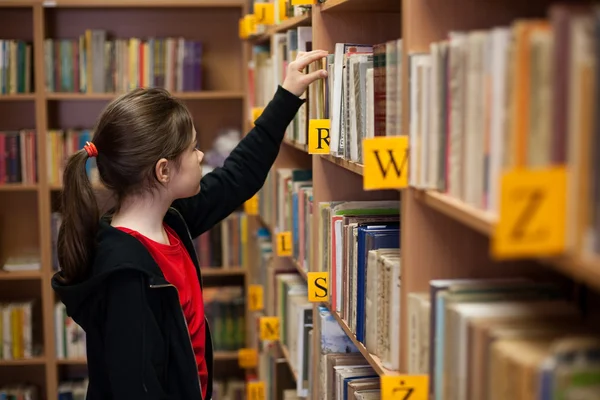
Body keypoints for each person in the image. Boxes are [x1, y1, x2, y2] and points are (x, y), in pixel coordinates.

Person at [51, 49, 329, 400]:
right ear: (163, 171)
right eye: (193, 148)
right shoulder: (127, 276)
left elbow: (235, 178)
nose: (201, 156)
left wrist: (286, 97)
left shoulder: (169, 222)